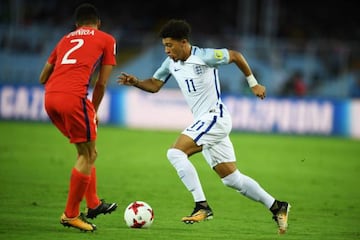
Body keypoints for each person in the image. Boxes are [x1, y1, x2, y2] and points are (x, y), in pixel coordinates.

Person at [118, 19, 291, 234]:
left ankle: (202, 206)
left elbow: (235, 55)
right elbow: (154, 85)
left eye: (170, 45)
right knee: (231, 179)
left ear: (184, 42)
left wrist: (253, 83)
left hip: (214, 117)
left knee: (175, 153)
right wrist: (136, 82)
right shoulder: (171, 63)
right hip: (205, 121)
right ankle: (277, 206)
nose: (166, 50)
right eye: (164, 46)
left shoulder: (205, 56)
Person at [39, 3, 117, 232]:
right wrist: (93, 110)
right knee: (89, 153)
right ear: (98, 23)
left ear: (76, 24)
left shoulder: (65, 39)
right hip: (74, 99)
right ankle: (70, 215)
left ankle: (93, 203)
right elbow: (101, 83)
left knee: (87, 153)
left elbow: (43, 76)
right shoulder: (106, 39)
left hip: (50, 98)